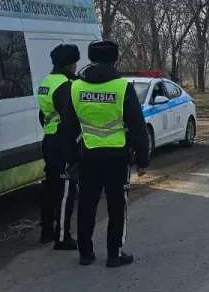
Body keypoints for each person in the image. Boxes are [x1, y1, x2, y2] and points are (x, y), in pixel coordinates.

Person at [58, 39, 150, 268]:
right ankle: (113, 254)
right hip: (116, 157)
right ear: (114, 59)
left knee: (87, 205)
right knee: (116, 206)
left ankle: (85, 253)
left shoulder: (76, 87)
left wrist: (69, 158)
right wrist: (142, 159)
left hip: (87, 155)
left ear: (90, 58)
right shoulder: (122, 88)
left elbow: (67, 126)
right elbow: (138, 127)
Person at [37, 44, 80, 250]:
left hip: (49, 139)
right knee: (66, 189)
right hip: (62, 141)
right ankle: (62, 237)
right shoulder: (66, 85)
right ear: (71, 64)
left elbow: (42, 115)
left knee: (50, 186)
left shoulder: (47, 81)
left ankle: (46, 232)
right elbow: (70, 120)